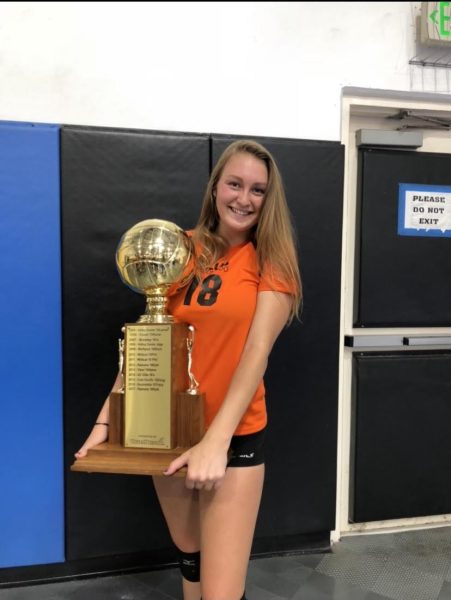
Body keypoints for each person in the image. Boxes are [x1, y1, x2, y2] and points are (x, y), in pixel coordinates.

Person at [75, 139, 302, 600]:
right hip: (168, 428)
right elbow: (150, 346)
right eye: (235, 184)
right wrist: (107, 421)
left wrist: (216, 442)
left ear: (268, 199)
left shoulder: (272, 261)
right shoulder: (180, 249)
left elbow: (255, 355)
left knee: (220, 591)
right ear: (215, 186)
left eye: (258, 190)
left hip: (232, 436)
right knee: (190, 556)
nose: (243, 198)